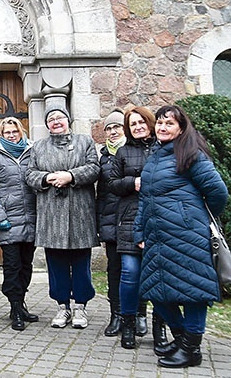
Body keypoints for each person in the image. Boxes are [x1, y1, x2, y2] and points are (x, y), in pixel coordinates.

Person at [134, 105, 228, 368]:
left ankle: (191, 349)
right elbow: (146, 199)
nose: (163, 128)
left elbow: (218, 192)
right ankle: (182, 337)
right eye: (160, 123)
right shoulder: (155, 155)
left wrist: (193, 217)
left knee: (193, 292)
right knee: (155, 291)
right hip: (157, 236)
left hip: (187, 235)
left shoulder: (191, 154)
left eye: (169, 124)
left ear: (181, 128)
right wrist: (139, 230)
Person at [25, 105, 100, 329]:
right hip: (51, 213)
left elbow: (94, 168)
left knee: (80, 262)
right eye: (51, 119)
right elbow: (29, 173)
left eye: (60, 117)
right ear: (47, 124)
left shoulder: (85, 142)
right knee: (55, 262)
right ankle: (62, 306)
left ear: (68, 120)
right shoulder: (38, 147)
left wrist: (70, 176)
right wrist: (48, 178)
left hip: (79, 212)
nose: (56, 121)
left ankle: (80, 307)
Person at [108, 106, 168, 350]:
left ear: (150, 122)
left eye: (141, 122)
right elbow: (111, 183)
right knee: (130, 274)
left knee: (160, 277)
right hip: (130, 219)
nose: (138, 127)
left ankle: (159, 328)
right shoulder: (123, 152)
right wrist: (133, 182)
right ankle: (129, 323)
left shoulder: (163, 149)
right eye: (133, 124)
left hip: (160, 220)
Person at [0, 117, 38, 331]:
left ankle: (21, 303)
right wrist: (0, 216)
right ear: (1, 134)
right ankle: (15, 307)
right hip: (8, 220)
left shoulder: (31, 152)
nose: (12, 135)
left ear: (21, 131)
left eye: (15, 131)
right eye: (7, 132)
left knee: (26, 266)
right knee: (12, 266)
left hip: (31, 219)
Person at [95, 109, 126, 337]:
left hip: (133, 221)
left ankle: (138, 315)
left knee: (135, 271)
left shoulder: (137, 149)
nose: (113, 131)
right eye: (109, 128)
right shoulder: (104, 155)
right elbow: (102, 194)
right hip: (111, 221)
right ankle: (116, 315)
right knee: (114, 270)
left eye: (117, 127)